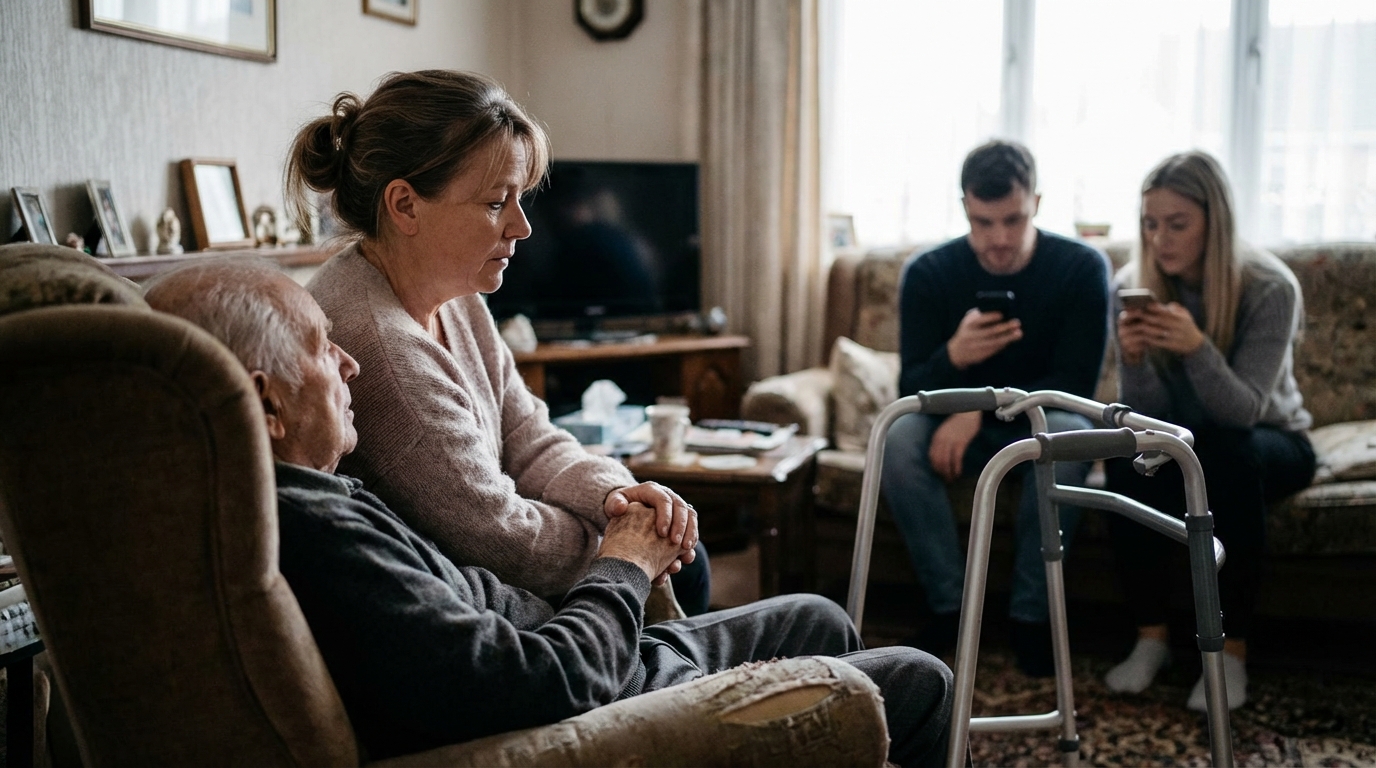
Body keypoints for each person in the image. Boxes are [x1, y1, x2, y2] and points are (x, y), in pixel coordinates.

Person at [143, 260, 955, 766]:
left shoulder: (309, 495)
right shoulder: (317, 533)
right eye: (322, 347)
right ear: (269, 405)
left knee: (816, 618)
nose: (347, 360)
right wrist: (624, 563)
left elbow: (531, 436)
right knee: (917, 679)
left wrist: (612, 505)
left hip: (580, 643)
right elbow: (537, 685)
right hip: (592, 691)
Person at [284, 70, 711, 612]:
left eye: (520, 199)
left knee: (685, 552)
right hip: (493, 610)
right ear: (405, 205)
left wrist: (614, 497)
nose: (523, 227)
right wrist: (629, 544)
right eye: (495, 203)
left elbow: (529, 435)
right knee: (690, 566)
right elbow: (504, 540)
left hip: (522, 565)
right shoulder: (382, 351)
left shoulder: (454, 293)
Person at [882, 140, 1110, 676]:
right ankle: (954, 610)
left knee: (1068, 433)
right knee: (897, 440)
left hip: (1038, 419)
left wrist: (980, 410)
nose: (999, 239)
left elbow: (1075, 385)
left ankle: (1032, 617)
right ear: (964, 207)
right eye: (984, 222)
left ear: (1037, 202)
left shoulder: (1081, 268)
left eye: (1014, 219)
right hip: (949, 421)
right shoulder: (928, 273)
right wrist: (953, 356)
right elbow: (910, 383)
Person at [1101, 151, 1315, 711]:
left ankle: (1229, 654)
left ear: (1213, 222)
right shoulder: (1131, 284)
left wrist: (1196, 348)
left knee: (1224, 454)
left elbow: (1243, 409)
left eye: (1177, 224)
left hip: (1271, 437)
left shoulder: (1271, 288)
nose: (1160, 240)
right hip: (1184, 436)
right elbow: (1146, 413)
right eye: (1150, 224)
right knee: (1127, 456)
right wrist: (1136, 360)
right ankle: (1151, 639)